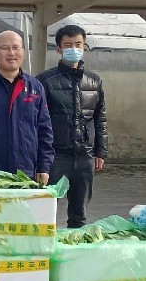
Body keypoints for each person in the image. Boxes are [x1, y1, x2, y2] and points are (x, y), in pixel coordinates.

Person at [37, 25, 107, 228]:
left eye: (78, 44)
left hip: (85, 155)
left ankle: (75, 244)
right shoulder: (45, 81)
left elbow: (100, 118)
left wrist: (100, 151)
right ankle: (46, 245)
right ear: (58, 49)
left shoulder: (94, 81)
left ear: (84, 47)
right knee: (46, 209)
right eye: (68, 45)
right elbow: (38, 121)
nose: (74, 49)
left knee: (79, 214)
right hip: (56, 155)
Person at [0, 30, 54, 183]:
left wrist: (44, 167)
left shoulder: (35, 87)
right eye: (5, 48)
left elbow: (44, 130)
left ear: (23, 51)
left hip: (26, 173)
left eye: (16, 47)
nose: (11, 53)